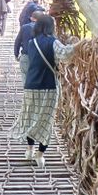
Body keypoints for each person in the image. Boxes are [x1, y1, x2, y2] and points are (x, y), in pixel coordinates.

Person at [14, 13, 75, 169]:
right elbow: (65, 54)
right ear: (50, 27)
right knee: (46, 120)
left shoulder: (31, 43)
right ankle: (40, 155)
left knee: (30, 117)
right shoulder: (53, 42)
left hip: (31, 86)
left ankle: (29, 149)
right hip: (49, 86)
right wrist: (79, 45)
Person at [14, 3, 44, 81]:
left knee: (25, 78)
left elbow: (17, 42)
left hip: (26, 57)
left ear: (31, 18)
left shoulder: (24, 27)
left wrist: (16, 55)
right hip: (39, 58)